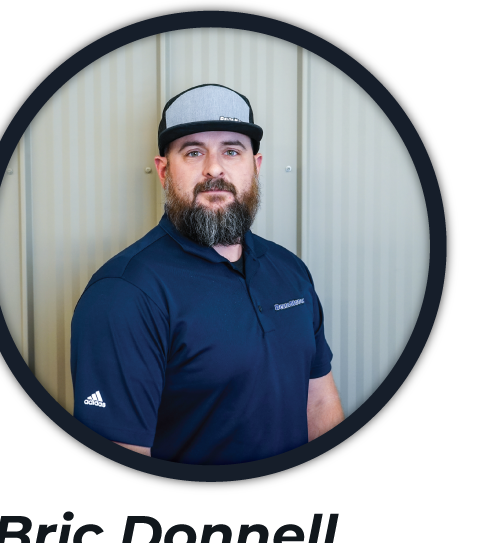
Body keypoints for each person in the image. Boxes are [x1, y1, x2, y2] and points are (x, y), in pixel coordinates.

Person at [71, 84, 344, 464]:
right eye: (194, 151)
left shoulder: (290, 270)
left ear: (255, 166)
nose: (214, 168)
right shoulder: (124, 294)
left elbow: (319, 402)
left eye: (232, 151)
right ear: (164, 171)